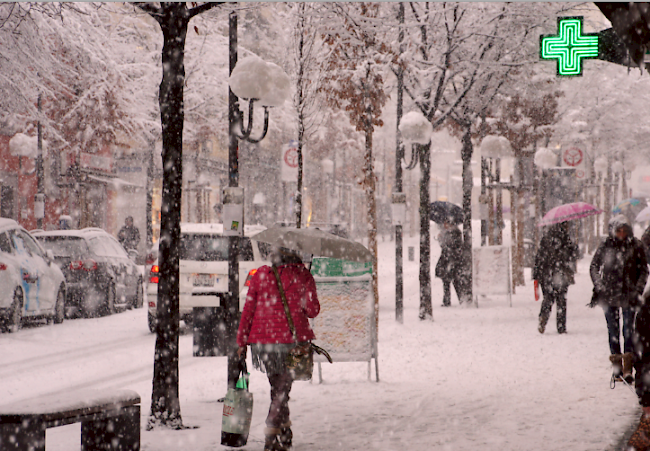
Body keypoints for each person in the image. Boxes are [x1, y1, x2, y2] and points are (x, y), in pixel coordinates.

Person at [236, 246, 320, 451]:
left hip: (263, 343)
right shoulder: (303, 275)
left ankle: (285, 431)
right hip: (291, 342)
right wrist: (308, 284)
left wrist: (241, 341)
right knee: (282, 391)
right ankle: (271, 436)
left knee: (278, 389)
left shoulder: (260, 275)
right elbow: (312, 310)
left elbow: (248, 309)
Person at [590, 214, 648, 385]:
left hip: (629, 295)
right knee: (613, 331)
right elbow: (594, 266)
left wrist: (637, 289)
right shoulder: (606, 246)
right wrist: (600, 286)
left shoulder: (636, 246)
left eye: (624, 230)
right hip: (609, 295)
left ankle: (628, 367)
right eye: (618, 231)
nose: (621, 234)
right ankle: (617, 368)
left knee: (629, 330)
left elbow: (644, 270)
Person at [532, 221, 578, 335]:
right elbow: (573, 255)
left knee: (548, 298)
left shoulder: (546, 238)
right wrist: (573, 247)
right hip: (560, 274)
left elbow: (539, 257)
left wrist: (537, 274)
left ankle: (543, 317)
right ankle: (561, 327)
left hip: (547, 274)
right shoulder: (565, 239)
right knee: (561, 300)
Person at [435, 221, 468, 307]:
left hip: (452, 259)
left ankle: (461, 299)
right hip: (447, 258)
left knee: (454, 280)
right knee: (446, 280)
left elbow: (454, 246)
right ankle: (448, 300)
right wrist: (440, 239)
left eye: (446, 223)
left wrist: (445, 243)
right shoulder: (446, 232)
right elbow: (444, 246)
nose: (444, 225)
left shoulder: (456, 232)